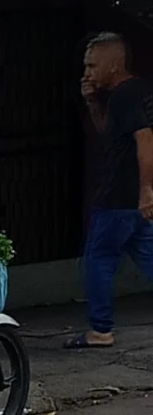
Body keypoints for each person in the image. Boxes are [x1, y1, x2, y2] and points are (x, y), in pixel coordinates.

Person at [66, 32, 153, 349]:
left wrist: (146, 191)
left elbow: (145, 139)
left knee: (98, 260)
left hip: (119, 196)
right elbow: (108, 132)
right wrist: (90, 100)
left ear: (114, 65)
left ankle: (101, 329)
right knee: (148, 254)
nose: (86, 72)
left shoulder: (127, 95)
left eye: (92, 65)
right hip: (131, 199)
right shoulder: (130, 93)